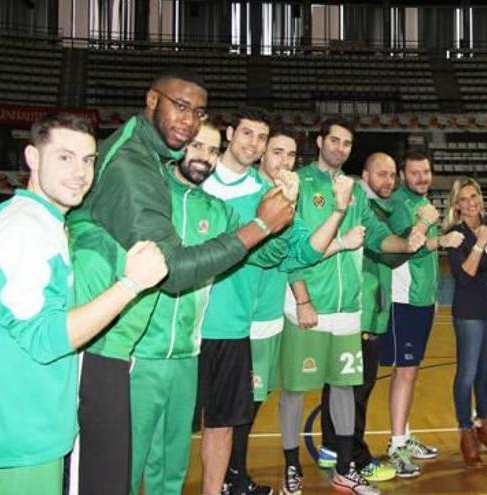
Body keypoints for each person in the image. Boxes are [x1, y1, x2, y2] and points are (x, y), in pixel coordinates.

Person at [65, 68, 294, 495]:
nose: (190, 126)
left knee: (170, 473)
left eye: (199, 115)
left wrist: (283, 214)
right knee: (119, 473)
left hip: (185, 353)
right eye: (181, 109)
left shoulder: (208, 203)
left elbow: (271, 254)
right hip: (130, 352)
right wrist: (262, 223)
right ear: (152, 100)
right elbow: (172, 271)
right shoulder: (139, 174)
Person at [0, 113, 167, 495]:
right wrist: (131, 284)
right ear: (33, 158)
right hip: (13, 440)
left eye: (87, 160)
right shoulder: (24, 228)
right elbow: (46, 338)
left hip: (28, 433)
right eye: (64, 158)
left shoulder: (45, 221)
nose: (80, 173)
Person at [198, 109, 344, 495]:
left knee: (237, 410)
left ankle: (232, 479)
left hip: (249, 318)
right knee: (198, 418)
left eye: (287, 153)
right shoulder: (207, 182)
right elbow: (260, 253)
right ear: (230, 135)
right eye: (271, 148)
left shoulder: (272, 197)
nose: (280, 159)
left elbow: (297, 255)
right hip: (197, 319)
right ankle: (230, 478)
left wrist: (339, 213)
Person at [281, 117, 424, 495]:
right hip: (308, 306)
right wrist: (303, 298)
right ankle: (291, 467)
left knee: (345, 388)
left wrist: (407, 244)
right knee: (296, 389)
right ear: (320, 141)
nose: (341, 148)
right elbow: (289, 247)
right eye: (335, 140)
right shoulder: (299, 182)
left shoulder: (356, 192)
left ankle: (345, 467)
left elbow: (377, 238)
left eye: (347, 143)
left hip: (349, 309)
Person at [129, 122, 239, 495]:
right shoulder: (150, 194)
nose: (204, 156)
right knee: (128, 461)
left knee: (172, 463)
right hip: (138, 354)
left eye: (212, 150)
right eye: (196, 146)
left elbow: (268, 246)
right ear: (177, 146)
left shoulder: (219, 211)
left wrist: (284, 206)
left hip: (187, 354)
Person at [316, 153, 403, 484]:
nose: (388, 180)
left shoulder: (373, 206)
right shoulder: (361, 207)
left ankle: (330, 447)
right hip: (358, 314)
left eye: (392, 174)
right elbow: (382, 249)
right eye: (382, 174)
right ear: (364, 175)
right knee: (356, 391)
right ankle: (355, 456)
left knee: (340, 386)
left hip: (361, 311)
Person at [379, 149, 464, 478]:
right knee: (405, 372)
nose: (421, 178)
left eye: (425, 172)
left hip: (422, 300)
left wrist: (432, 297)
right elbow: (407, 244)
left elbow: (426, 261)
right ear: (403, 174)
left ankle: (405, 434)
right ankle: (396, 444)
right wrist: (439, 236)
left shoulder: (422, 204)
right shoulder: (400, 203)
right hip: (402, 301)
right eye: (414, 173)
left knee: (409, 372)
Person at [444, 177, 487, 467]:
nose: (471, 203)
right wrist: (480, 244)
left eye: (475, 196)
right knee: (467, 373)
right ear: (457, 205)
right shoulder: (455, 234)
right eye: (465, 199)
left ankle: (485, 426)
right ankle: (466, 431)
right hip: (469, 311)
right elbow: (465, 272)